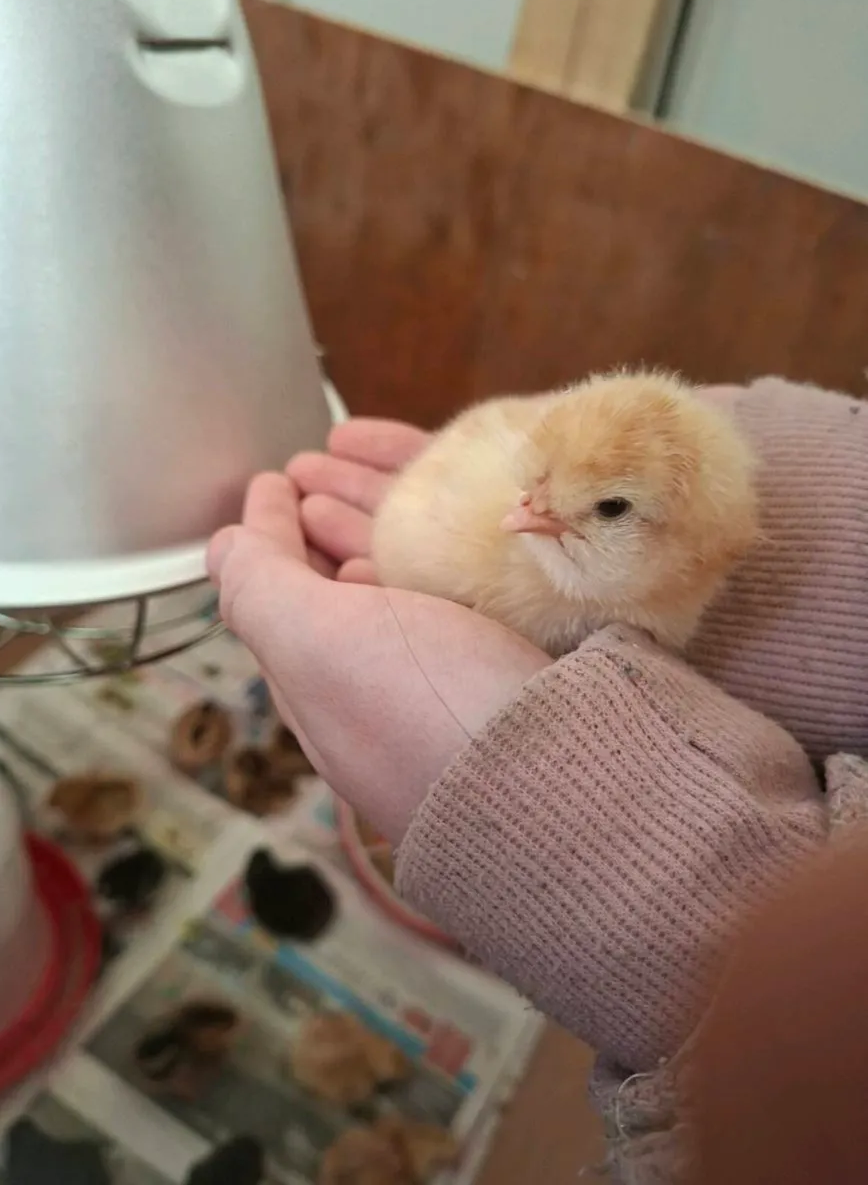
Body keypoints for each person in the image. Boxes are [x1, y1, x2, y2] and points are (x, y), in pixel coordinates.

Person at [207, 376, 868, 1182]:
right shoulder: (496, 557)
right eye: (535, 487)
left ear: (696, 539)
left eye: (608, 509)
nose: (522, 513)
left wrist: (560, 806)